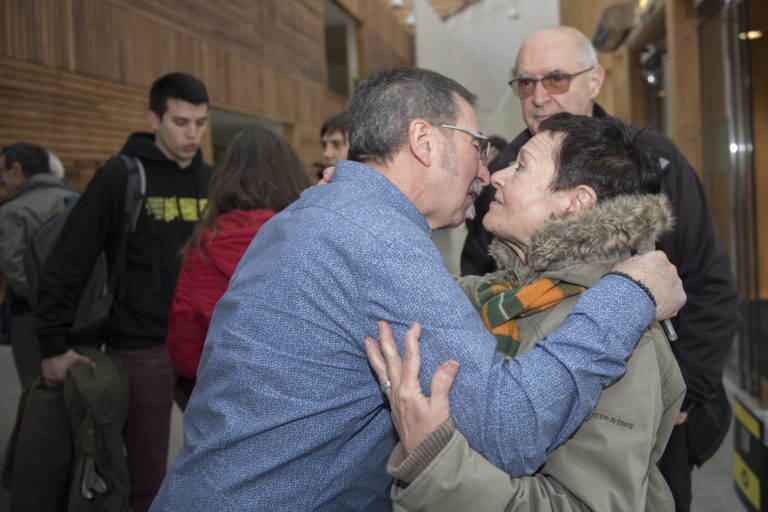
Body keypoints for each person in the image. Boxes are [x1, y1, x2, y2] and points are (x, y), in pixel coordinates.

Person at [151, 67, 685, 512]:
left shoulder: (330, 216)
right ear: (425, 142)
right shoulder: (375, 237)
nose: (488, 173)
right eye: (478, 147)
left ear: (577, 201)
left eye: (516, 164)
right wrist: (627, 296)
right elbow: (508, 429)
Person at [461, 27, 739, 510]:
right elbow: (485, 277)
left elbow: (709, 285)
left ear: (595, 80)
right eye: (525, 83)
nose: (539, 97)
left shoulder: (658, 161)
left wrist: (684, 395)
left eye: (555, 78)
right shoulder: (502, 172)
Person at [366, 113, 686, 511]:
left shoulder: (627, 341)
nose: (496, 176)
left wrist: (437, 467)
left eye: (521, 166)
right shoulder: (500, 294)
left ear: (576, 202)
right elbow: (408, 290)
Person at [35, 72, 213, 512]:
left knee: (223, 454)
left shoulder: (212, 180)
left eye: (200, 123)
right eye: (180, 122)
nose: (192, 134)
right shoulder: (121, 176)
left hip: (203, 343)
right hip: (140, 346)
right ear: (154, 119)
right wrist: (52, 344)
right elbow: (69, 261)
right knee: (146, 476)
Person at [166, 127, 310, 386]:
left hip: (227, 389)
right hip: (301, 387)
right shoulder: (309, 234)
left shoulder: (204, 245)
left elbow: (185, 339)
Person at [0, 142, 75, 386]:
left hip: (31, 314)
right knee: (76, 386)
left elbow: (13, 267)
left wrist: (47, 301)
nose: (2, 180)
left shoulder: (12, 210)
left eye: (2, 171)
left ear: (16, 170)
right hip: (78, 312)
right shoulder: (75, 200)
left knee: (38, 389)